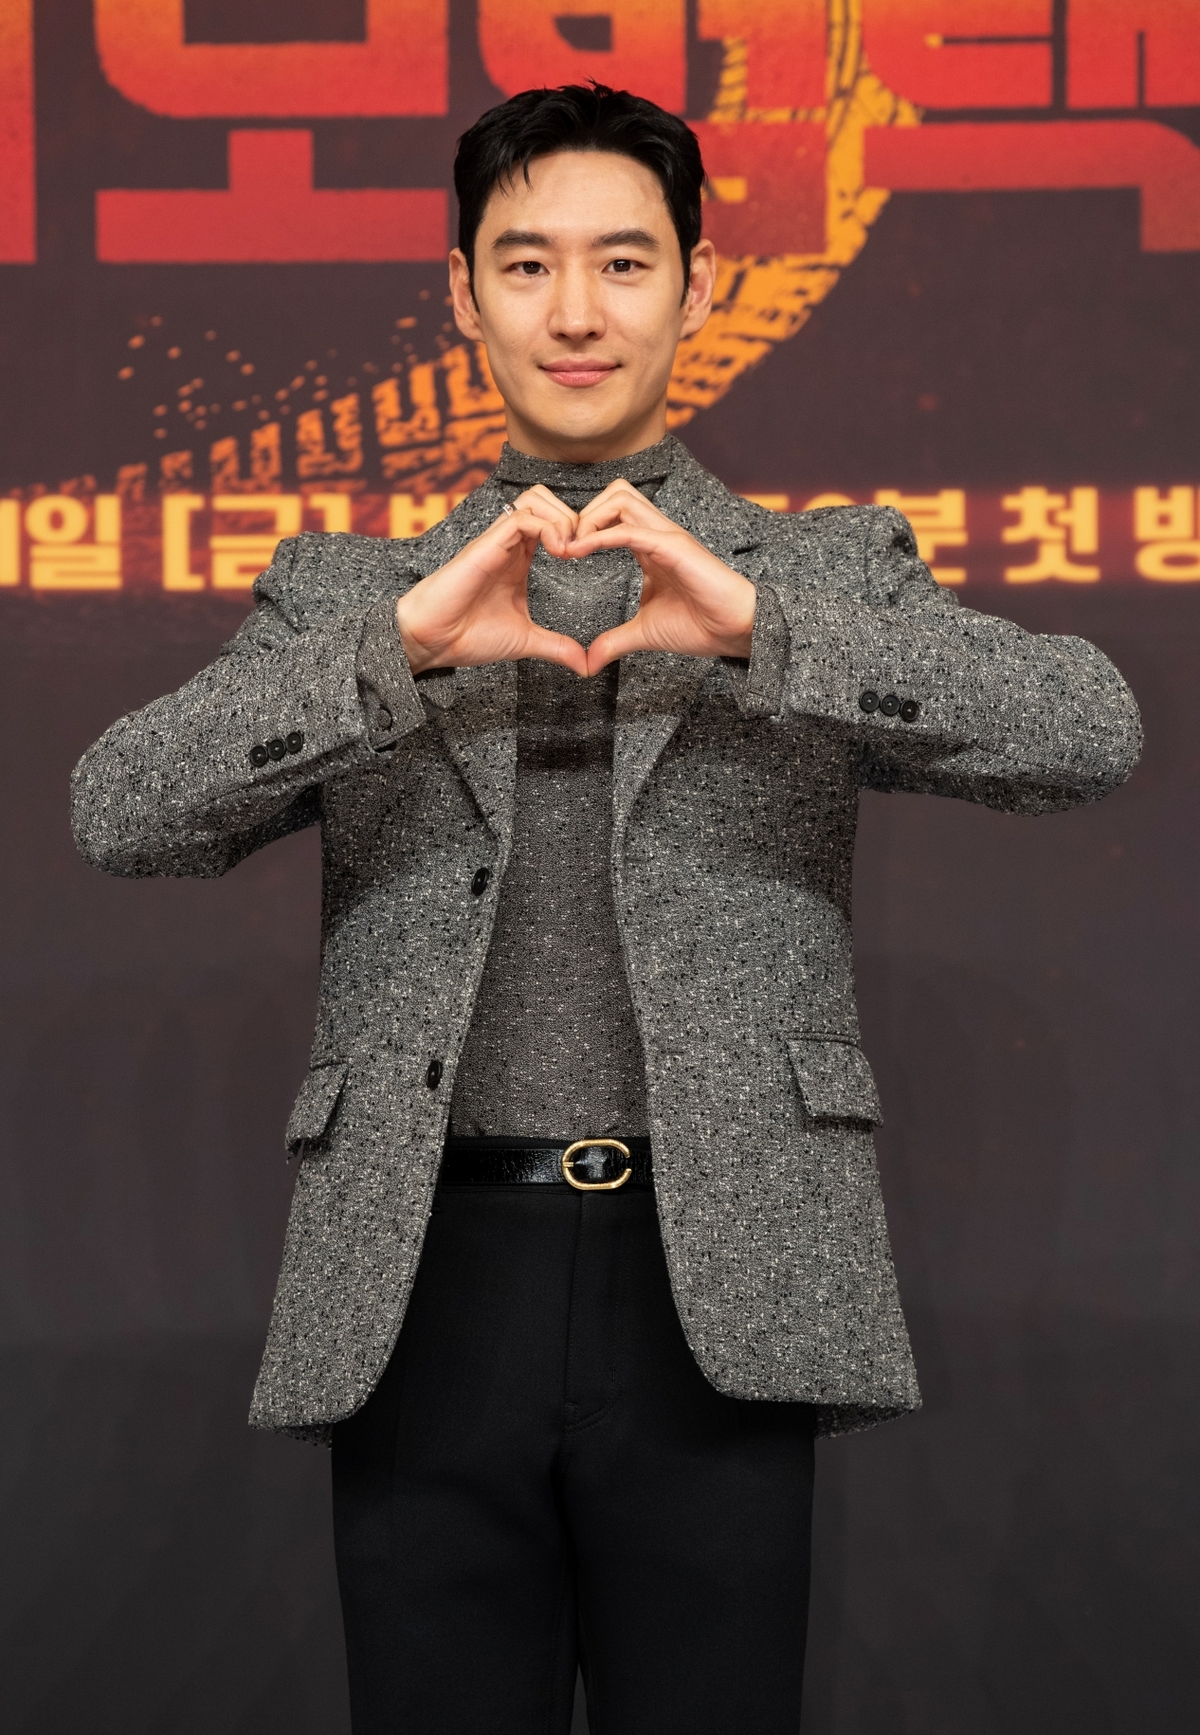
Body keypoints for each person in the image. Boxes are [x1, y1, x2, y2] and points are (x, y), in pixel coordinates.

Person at [71, 84, 1142, 1734]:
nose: (575, 312)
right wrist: (397, 655)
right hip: (423, 1278)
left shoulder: (817, 571)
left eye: (624, 262)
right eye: (527, 264)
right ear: (460, 293)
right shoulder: (352, 592)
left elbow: (1089, 731)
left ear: (700, 285)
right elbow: (119, 807)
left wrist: (767, 631)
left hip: (721, 1273)